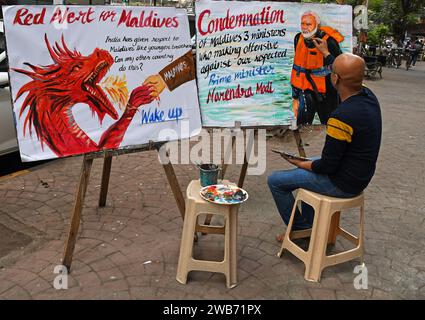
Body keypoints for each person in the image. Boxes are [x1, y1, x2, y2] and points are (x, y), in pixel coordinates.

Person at [269, 53, 382, 238]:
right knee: (307, 170)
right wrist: (328, 55)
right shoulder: (369, 97)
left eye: (331, 71)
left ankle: (299, 230)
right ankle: (309, 227)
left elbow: (326, 166)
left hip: (343, 182)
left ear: (335, 78)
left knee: (275, 180)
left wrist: (299, 163)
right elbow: (349, 74)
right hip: (359, 174)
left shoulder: (341, 117)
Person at [291, 11, 343, 126]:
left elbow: (341, 66)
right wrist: (295, 94)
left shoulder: (329, 42)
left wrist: (325, 52)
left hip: (326, 91)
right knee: (301, 124)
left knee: (329, 123)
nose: (304, 27)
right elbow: (299, 64)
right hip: (305, 89)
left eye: (308, 24)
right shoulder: (297, 38)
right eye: (302, 24)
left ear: (317, 26)